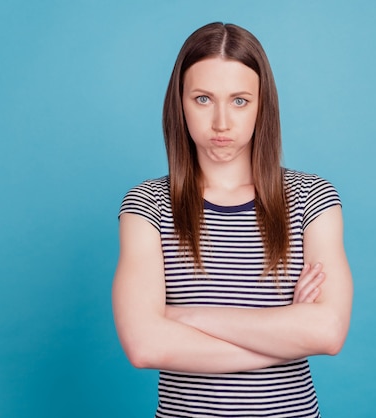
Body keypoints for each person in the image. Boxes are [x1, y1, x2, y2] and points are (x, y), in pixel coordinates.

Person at [112, 22, 353, 417]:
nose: (221, 122)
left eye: (239, 100)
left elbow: (327, 333)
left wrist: (182, 316)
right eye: (203, 99)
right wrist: (285, 332)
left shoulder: (313, 199)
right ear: (180, 103)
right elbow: (145, 345)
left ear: (262, 105)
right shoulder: (148, 205)